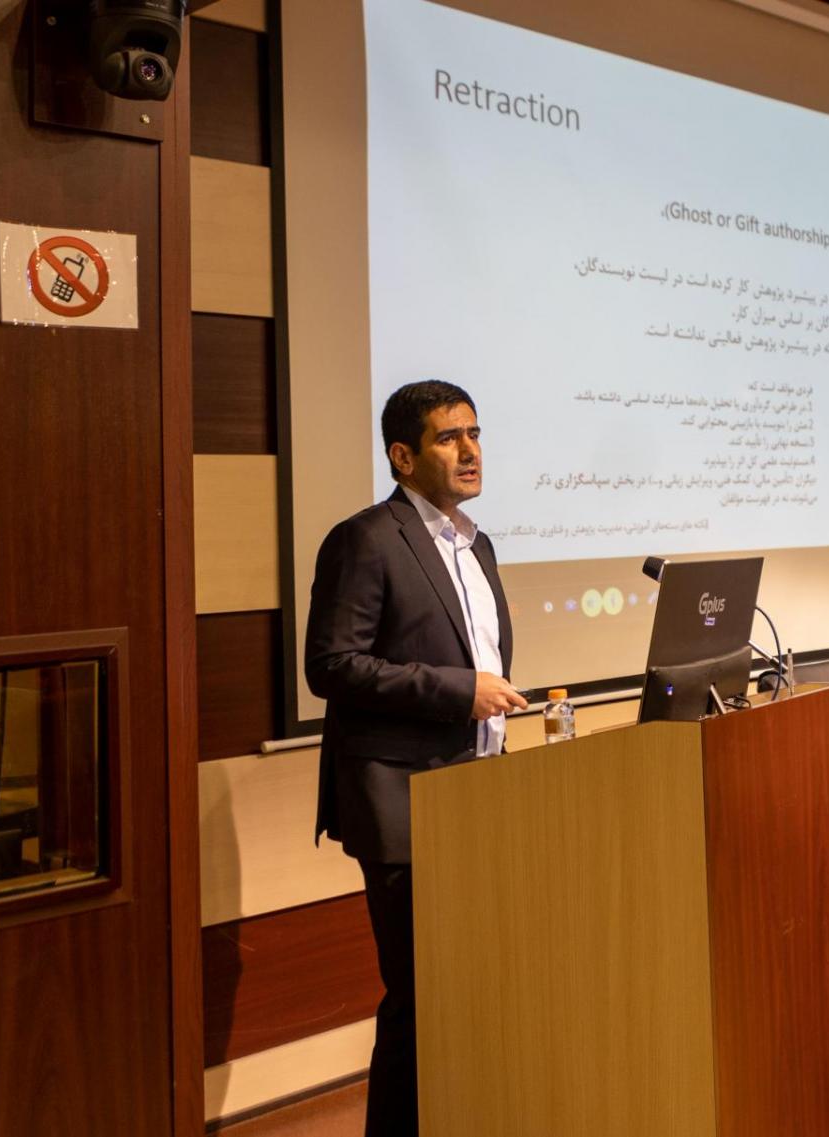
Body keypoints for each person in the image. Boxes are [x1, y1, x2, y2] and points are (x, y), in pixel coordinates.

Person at [306, 380, 526, 1137]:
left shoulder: (478, 543)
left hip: (479, 794)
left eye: (475, 433)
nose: (470, 451)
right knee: (420, 999)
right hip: (405, 805)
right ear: (402, 456)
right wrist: (459, 691)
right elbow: (332, 665)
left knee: (468, 994)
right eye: (448, 437)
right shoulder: (366, 539)